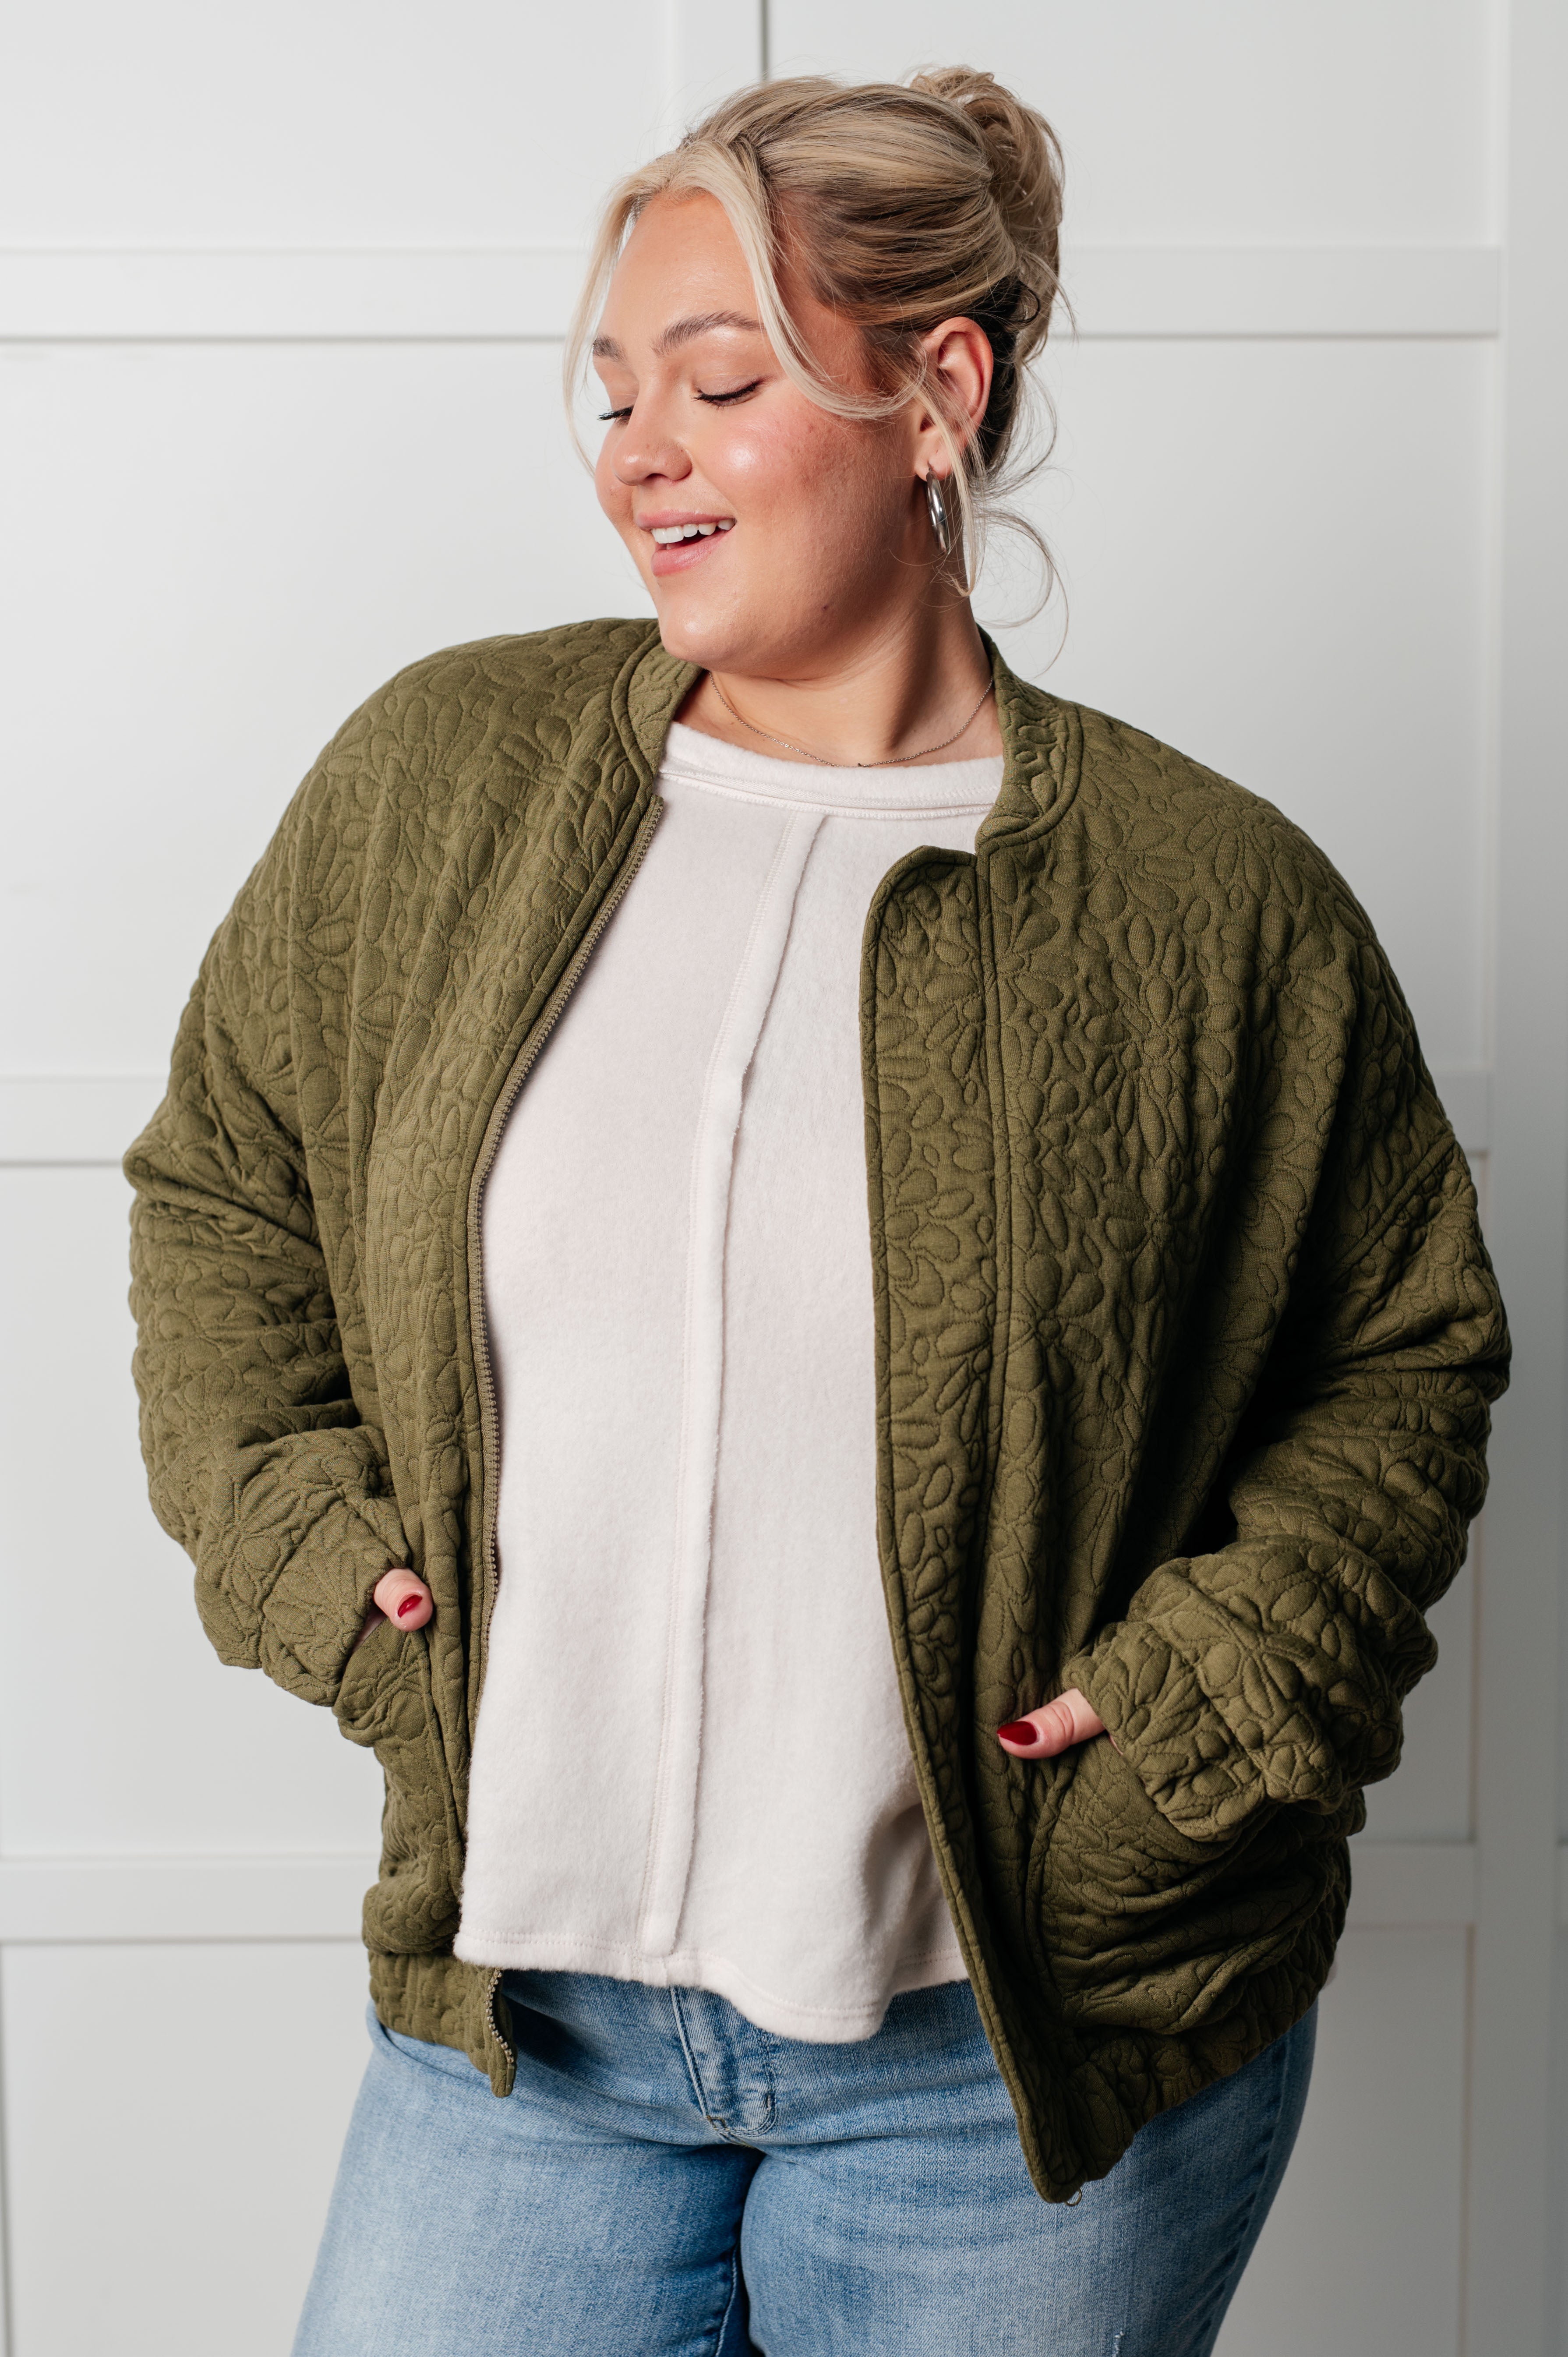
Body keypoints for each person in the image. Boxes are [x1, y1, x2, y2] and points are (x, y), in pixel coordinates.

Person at [124, 67, 1508, 2357]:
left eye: (722, 377)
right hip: (529, 2037)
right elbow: (221, 1193)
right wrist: (301, 1548)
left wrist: (1195, 1718)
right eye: (614, 390)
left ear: (935, 391)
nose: (637, 447)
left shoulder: (1207, 905)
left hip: (1018, 2067)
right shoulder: (442, 785)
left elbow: (1402, 1348)